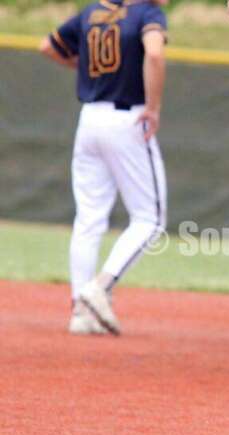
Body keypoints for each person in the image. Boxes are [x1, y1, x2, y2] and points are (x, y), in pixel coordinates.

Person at [39, 0, 169, 336]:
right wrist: (153, 108)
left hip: (90, 118)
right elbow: (154, 54)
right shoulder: (147, 12)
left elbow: (48, 47)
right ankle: (100, 286)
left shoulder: (91, 12)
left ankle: (80, 313)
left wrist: (84, 69)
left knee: (88, 218)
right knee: (150, 220)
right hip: (128, 118)